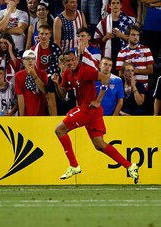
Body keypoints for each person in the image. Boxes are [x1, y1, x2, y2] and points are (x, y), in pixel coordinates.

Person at [51, 50, 139, 183]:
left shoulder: (85, 70)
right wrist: (57, 84)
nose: (70, 63)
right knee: (99, 144)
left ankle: (74, 165)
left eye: (72, 59)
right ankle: (130, 166)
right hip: (91, 111)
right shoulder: (67, 73)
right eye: (67, 61)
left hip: (90, 109)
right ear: (64, 63)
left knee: (59, 130)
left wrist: (98, 100)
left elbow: (105, 78)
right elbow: (63, 95)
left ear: (77, 59)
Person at [30, 24, 61, 115]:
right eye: (41, 34)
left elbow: (57, 67)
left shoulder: (56, 49)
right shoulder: (33, 50)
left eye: (46, 34)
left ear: (50, 35)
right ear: (38, 35)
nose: (44, 36)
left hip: (51, 79)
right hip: (37, 78)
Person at [94, 0, 133, 71]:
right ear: (109, 6)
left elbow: (135, 41)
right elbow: (96, 43)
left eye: (118, 3)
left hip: (125, 57)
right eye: (113, 3)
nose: (115, 5)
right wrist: (105, 37)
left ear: (121, 5)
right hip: (109, 58)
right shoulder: (103, 23)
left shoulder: (128, 21)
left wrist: (121, 35)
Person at [116, 25, 154, 89]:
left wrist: (134, 71)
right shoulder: (121, 53)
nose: (136, 37)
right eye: (133, 35)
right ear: (127, 36)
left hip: (144, 88)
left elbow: (150, 70)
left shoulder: (146, 50)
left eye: (137, 35)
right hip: (128, 88)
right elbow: (120, 74)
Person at [15, 49, 49, 116]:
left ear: (35, 61)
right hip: (27, 114)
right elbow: (20, 97)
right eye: (27, 59)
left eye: (32, 58)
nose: (30, 60)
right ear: (23, 61)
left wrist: (34, 75)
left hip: (42, 114)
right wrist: (22, 116)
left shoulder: (42, 73)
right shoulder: (18, 76)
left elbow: (45, 91)